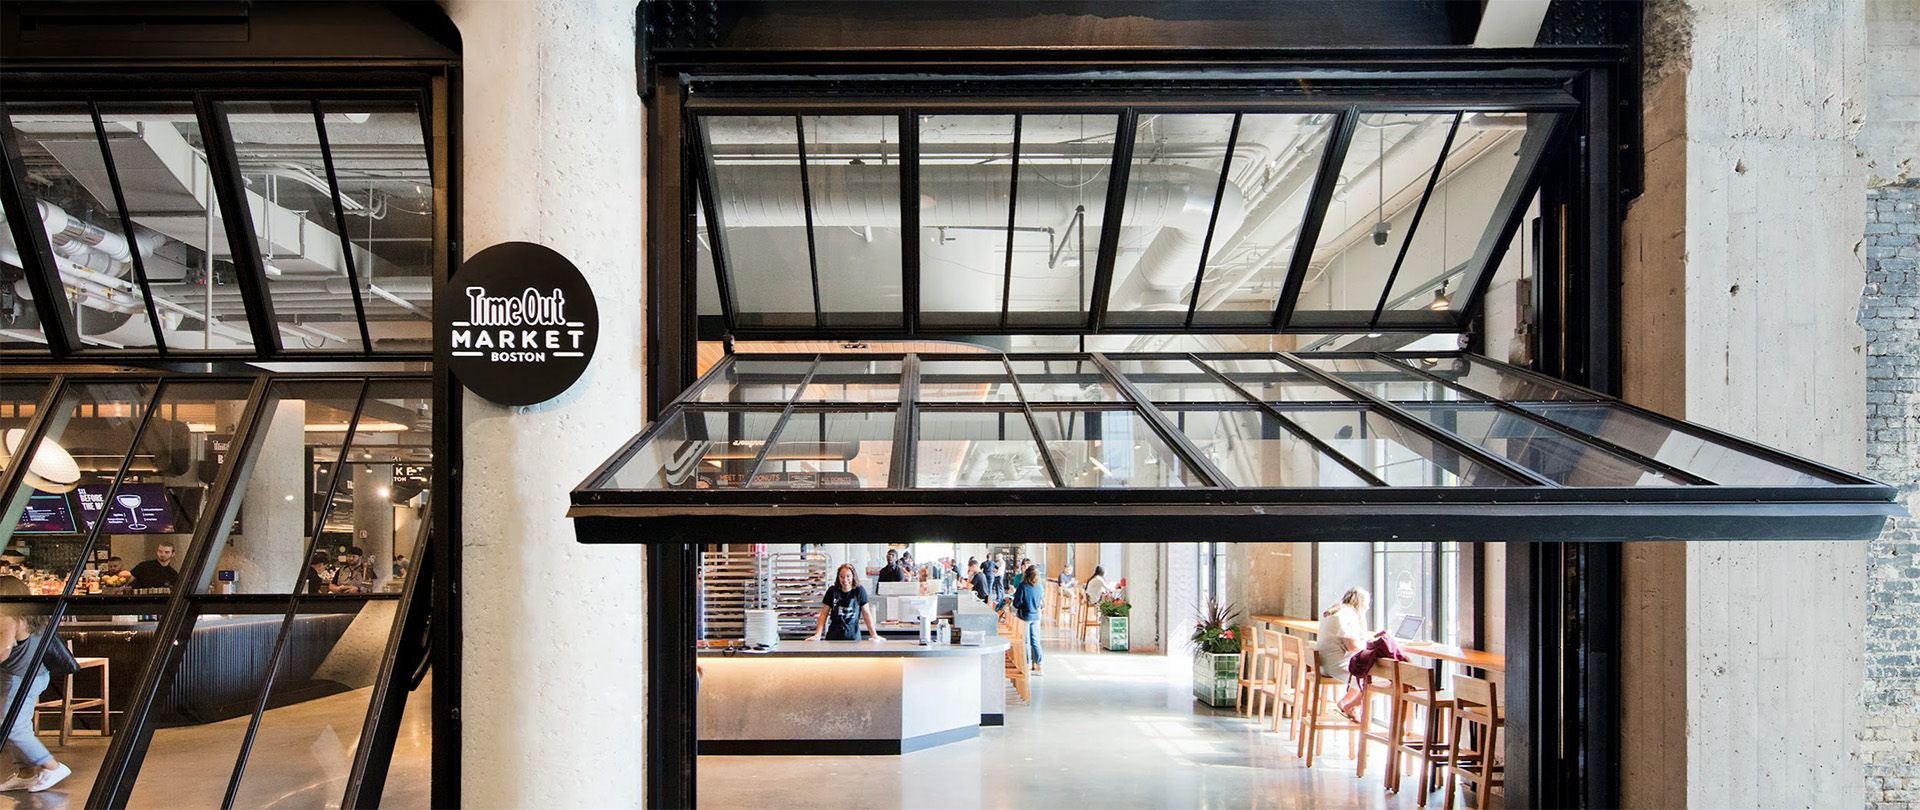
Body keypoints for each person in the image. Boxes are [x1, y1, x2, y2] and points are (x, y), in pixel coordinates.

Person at [0, 578, 71, 792]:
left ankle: (52, 766)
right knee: (11, 725)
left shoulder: (7, 617)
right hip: (35, 675)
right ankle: (26, 773)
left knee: (13, 726)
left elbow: (3, 651)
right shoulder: (35, 615)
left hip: (19, 678)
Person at [1316, 587, 1373, 720]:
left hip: (1324, 663)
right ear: (1360, 602)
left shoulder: (1339, 611)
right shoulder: (1348, 616)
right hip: (1334, 665)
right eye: (1367, 603)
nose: (1369, 607)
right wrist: (1370, 645)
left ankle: (1346, 702)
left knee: (1366, 672)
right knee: (1378, 681)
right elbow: (1353, 647)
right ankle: (1351, 705)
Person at [806, 563, 881, 642]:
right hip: (833, 638)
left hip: (853, 638)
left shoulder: (859, 591)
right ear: (838, 577)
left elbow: (866, 614)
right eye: (842, 576)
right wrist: (817, 635)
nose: (845, 580)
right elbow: (824, 614)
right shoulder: (832, 591)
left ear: (853, 576)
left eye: (848, 576)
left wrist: (874, 635)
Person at [1009, 566, 1045, 675]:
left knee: (1025, 641)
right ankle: (1039, 665)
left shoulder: (1022, 586)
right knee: (1035, 641)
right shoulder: (1038, 586)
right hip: (1036, 616)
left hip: (1024, 616)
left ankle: (1027, 665)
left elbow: (1017, 603)